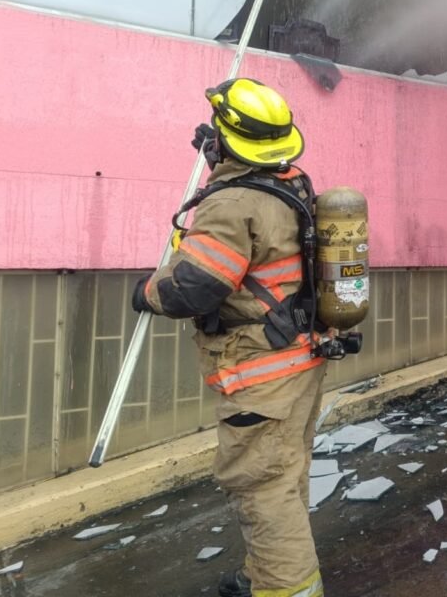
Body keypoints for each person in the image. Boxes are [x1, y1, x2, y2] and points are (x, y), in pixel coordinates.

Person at [132, 77, 327, 597]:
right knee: (284, 475)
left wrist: (148, 292)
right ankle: (268, 574)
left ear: (233, 139)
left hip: (259, 370)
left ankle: (287, 590)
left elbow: (194, 287)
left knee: (262, 486)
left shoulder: (232, 204)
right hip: (299, 358)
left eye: (219, 133)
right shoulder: (289, 183)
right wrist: (220, 154)